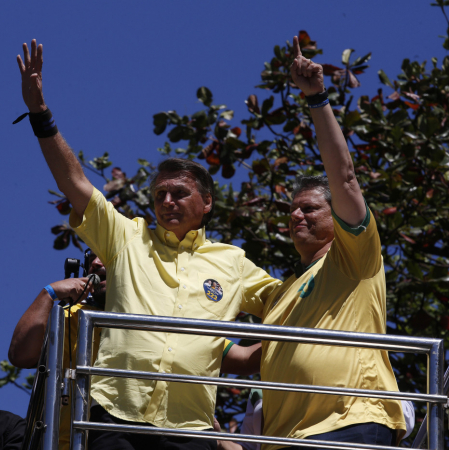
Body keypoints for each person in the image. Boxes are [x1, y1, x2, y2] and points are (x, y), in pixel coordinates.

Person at [16, 39, 281, 450]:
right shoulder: (128, 236)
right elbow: (74, 183)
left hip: (190, 427)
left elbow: (290, 303)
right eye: (160, 195)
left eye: (179, 193)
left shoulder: (235, 262)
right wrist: (40, 115)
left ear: (207, 202)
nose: (168, 201)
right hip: (114, 417)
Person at [258, 36, 406, 449]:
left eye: (309, 209)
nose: (296, 216)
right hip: (283, 440)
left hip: (352, 423)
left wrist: (317, 98)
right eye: (292, 210)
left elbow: (343, 177)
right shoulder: (278, 293)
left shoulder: (353, 256)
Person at [215, 343, 416, 450]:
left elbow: (402, 417)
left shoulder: (354, 366)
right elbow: (249, 447)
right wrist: (217, 438)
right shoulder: (260, 393)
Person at [8, 248, 106, 450]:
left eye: (105, 254)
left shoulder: (155, 316)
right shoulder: (68, 314)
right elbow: (21, 355)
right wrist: (49, 293)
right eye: (92, 258)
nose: (95, 264)